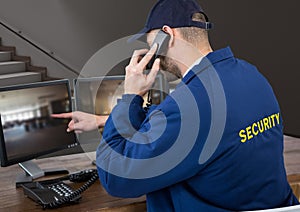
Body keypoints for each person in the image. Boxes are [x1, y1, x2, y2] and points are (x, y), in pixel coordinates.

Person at [53, 0, 299, 211]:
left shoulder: (187, 106)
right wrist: (103, 120)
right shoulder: (251, 74)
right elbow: (216, 129)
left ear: (167, 35)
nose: (150, 51)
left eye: (151, 42)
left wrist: (130, 96)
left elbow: (115, 177)